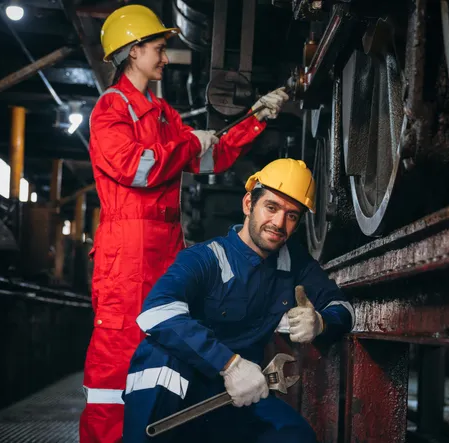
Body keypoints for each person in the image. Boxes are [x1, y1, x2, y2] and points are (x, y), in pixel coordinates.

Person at [80, 5, 290, 443]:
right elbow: (136, 168)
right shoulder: (112, 108)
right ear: (133, 51)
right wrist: (187, 144)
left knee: (165, 349)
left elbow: (211, 158)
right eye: (158, 48)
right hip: (127, 254)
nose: (164, 56)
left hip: (163, 249)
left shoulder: (161, 114)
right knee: (116, 365)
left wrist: (255, 119)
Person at [121, 159, 355, 443]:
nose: (279, 223)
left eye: (292, 215)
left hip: (238, 394)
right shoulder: (205, 258)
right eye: (271, 207)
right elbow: (157, 311)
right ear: (248, 204)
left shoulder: (294, 263)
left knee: (295, 437)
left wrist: (321, 322)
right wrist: (228, 364)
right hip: (183, 388)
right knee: (160, 358)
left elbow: (343, 308)